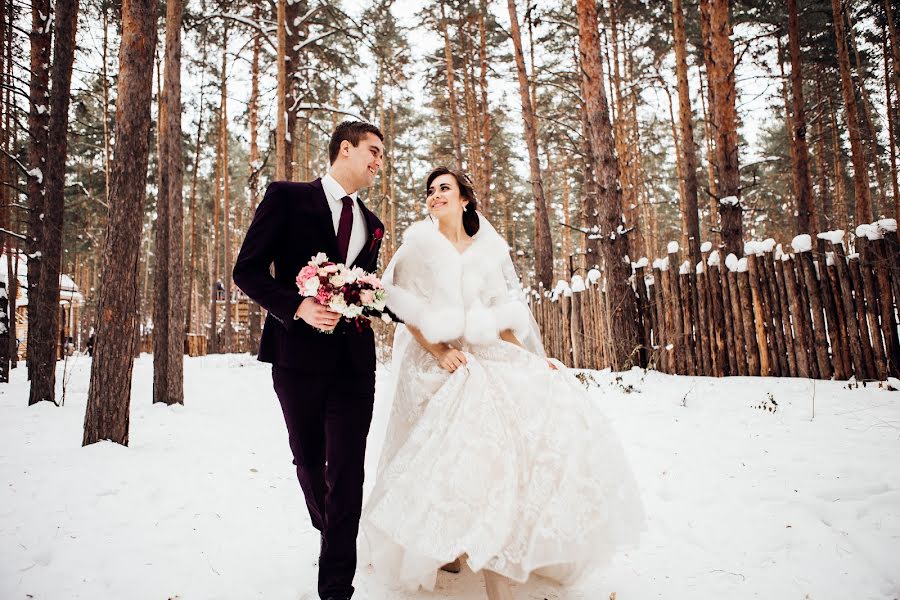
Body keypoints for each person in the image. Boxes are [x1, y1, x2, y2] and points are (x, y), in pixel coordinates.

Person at [362, 167, 644, 599]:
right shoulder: (418, 247)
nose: (435, 196)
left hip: (484, 351)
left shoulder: (486, 250)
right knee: (453, 440)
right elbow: (406, 311)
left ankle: (501, 539)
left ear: (464, 200)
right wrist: (440, 352)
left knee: (514, 427)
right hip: (437, 356)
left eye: (445, 189)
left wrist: (533, 360)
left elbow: (500, 313)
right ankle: (446, 539)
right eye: (430, 191)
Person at [233, 121, 386, 600]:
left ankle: (337, 583)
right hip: (296, 357)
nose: (379, 163)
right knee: (309, 460)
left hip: (354, 363)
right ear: (346, 149)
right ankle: (331, 530)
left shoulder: (373, 223)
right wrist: (297, 305)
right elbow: (247, 270)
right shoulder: (286, 197)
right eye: (374, 152)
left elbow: (363, 287)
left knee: (348, 469)